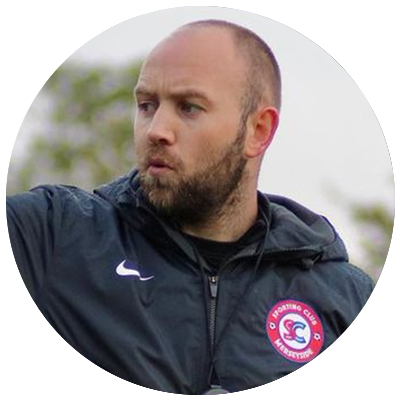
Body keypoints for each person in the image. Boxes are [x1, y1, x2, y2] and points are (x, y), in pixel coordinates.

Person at [6, 20, 375, 395]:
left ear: (258, 130)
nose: (156, 130)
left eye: (189, 108)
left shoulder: (344, 299)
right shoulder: (50, 236)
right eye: (147, 105)